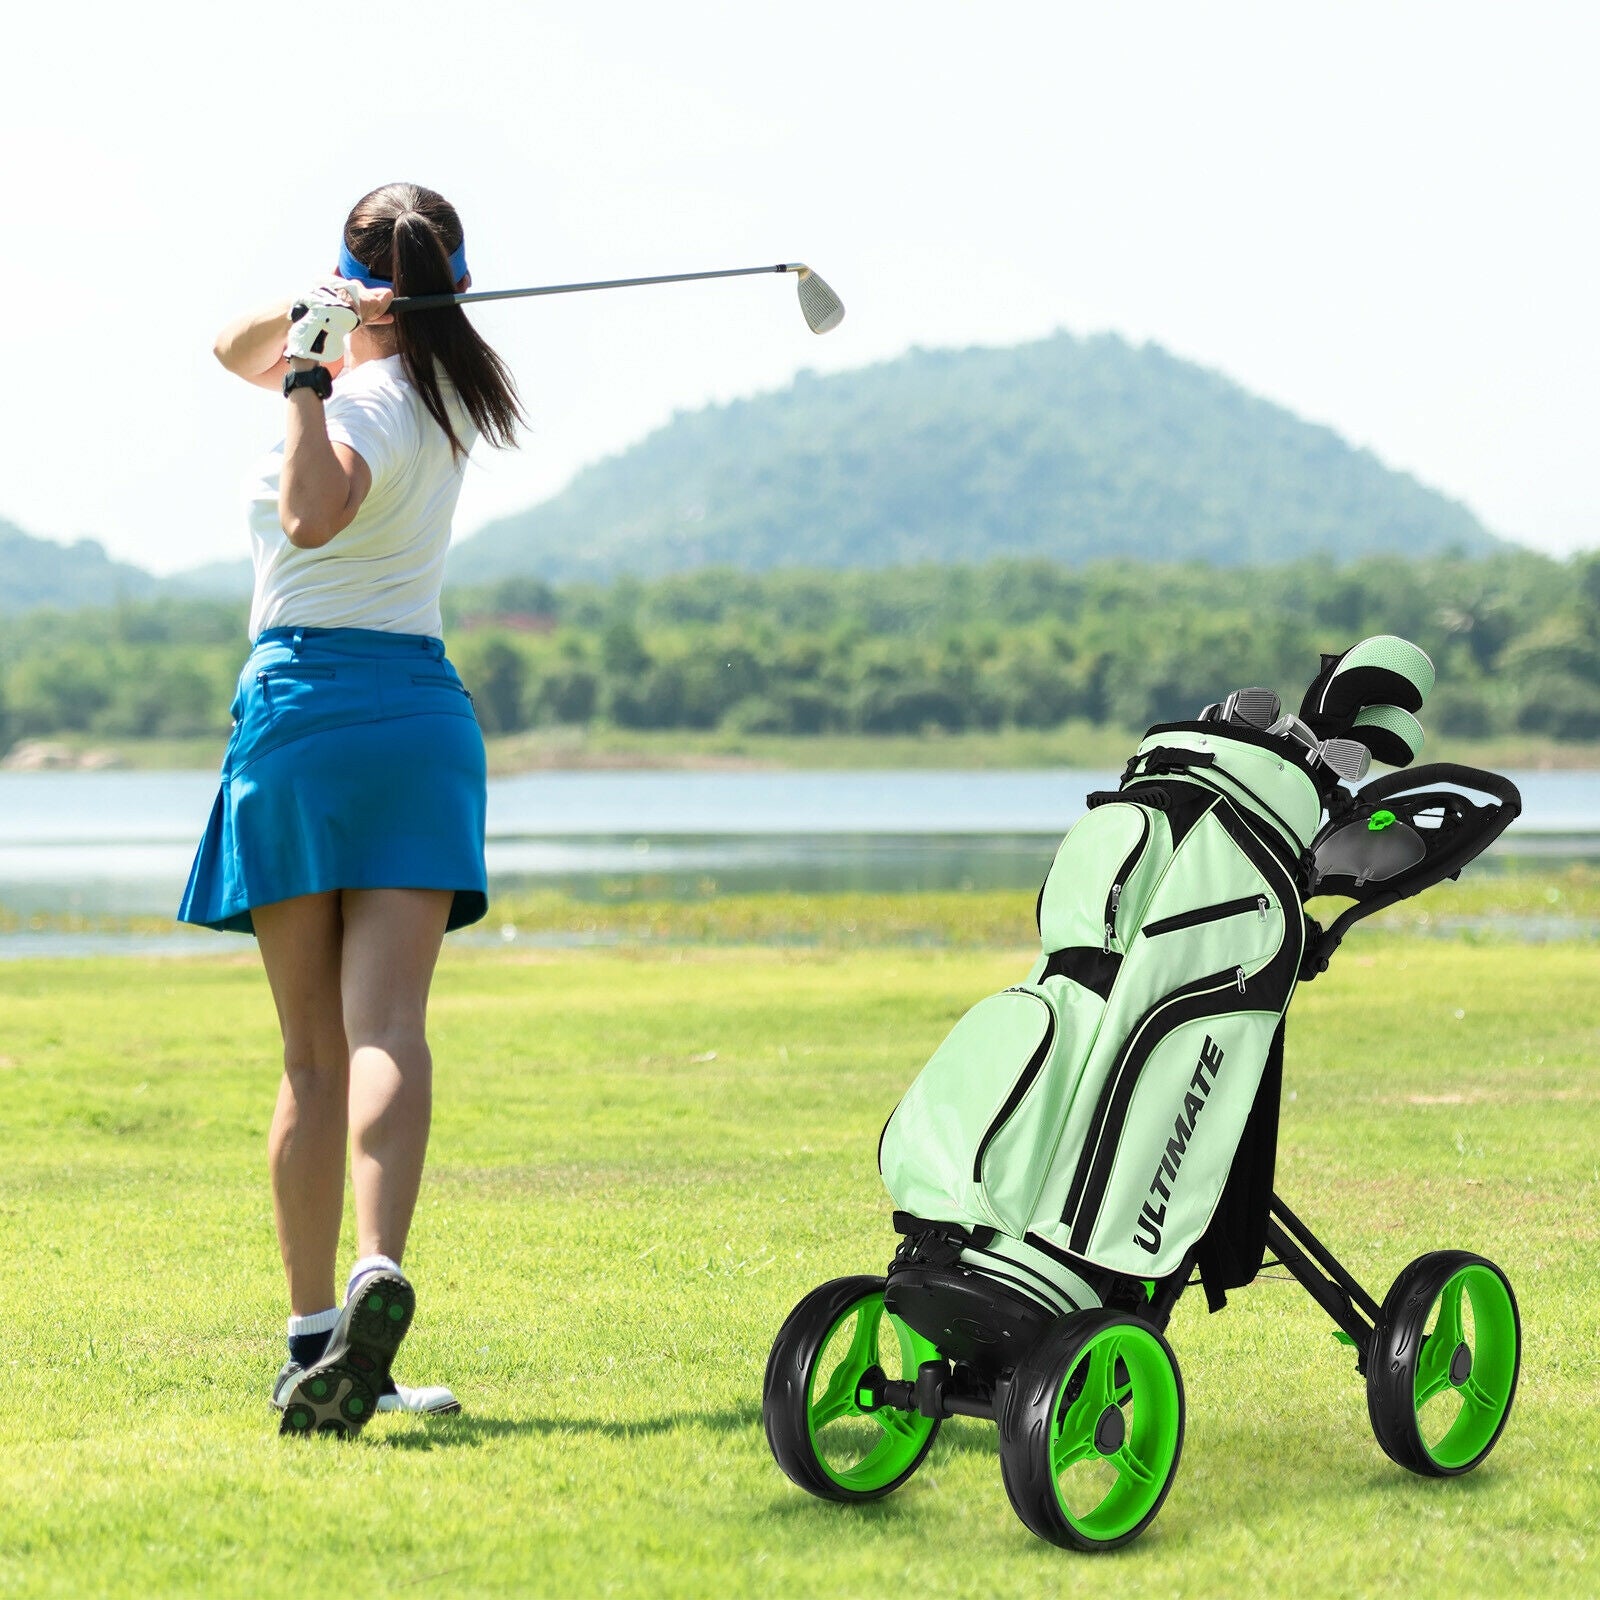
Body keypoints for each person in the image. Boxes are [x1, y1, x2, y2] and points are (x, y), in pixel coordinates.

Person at [179, 182, 523, 1437]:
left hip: (307, 720)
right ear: (456, 290)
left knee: (313, 1056)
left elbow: (309, 510)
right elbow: (227, 341)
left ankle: (317, 1331)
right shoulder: (446, 396)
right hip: (419, 723)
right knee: (390, 1031)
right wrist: (310, 319)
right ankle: (377, 1272)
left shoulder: (361, 396)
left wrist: (310, 372)